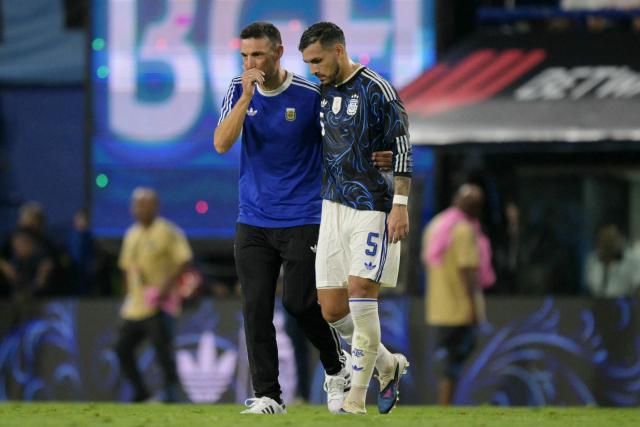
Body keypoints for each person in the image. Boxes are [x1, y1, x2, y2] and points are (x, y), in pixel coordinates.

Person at [214, 21, 387, 415]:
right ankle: (269, 396)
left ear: (277, 53)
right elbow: (222, 143)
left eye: (257, 54)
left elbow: (342, 140)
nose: (250, 62)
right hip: (253, 218)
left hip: (304, 216)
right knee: (256, 309)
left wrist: (383, 158)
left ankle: (336, 366)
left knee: (298, 303)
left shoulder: (310, 95)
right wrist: (246, 98)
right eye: (244, 56)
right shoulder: (235, 91)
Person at [298, 22, 412, 415]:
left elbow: (401, 147)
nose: (313, 69)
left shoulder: (377, 89)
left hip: (372, 206)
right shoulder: (324, 91)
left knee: (362, 295)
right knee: (331, 309)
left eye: (317, 60)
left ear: (339, 50)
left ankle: (354, 401)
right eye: (308, 62)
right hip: (332, 206)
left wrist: (400, 203)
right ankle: (387, 365)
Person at [115, 187, 193, 403]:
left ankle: (171, 396)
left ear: (155, 207)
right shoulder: (131, 234)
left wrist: (165, 288)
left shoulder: (167, 231)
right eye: (135, 205)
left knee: (162, 351)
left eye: (142, 205)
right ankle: (142, 393)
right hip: (135, 306)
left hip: (159, 304)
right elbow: (126, 268)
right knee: (121, 349)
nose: (137, 209)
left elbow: (183, 260)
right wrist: (127, 295)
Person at [421, 184, 495, 405]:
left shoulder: (435, 225)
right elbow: (467, 270)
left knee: (447, 362)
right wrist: (474, 309)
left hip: (438, 308)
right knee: (453, 364)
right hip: (460, 310)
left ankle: (444, 404)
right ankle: (445, 405)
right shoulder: (463, 230)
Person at [584, 224, 640, 297]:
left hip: (625, 303)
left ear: (620, 240)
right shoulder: (592, 260)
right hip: (597, 303)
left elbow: (637, 286)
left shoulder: (632, 259)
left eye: (611, 240)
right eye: (604, 240)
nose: (608, 244)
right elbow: (589, 287)